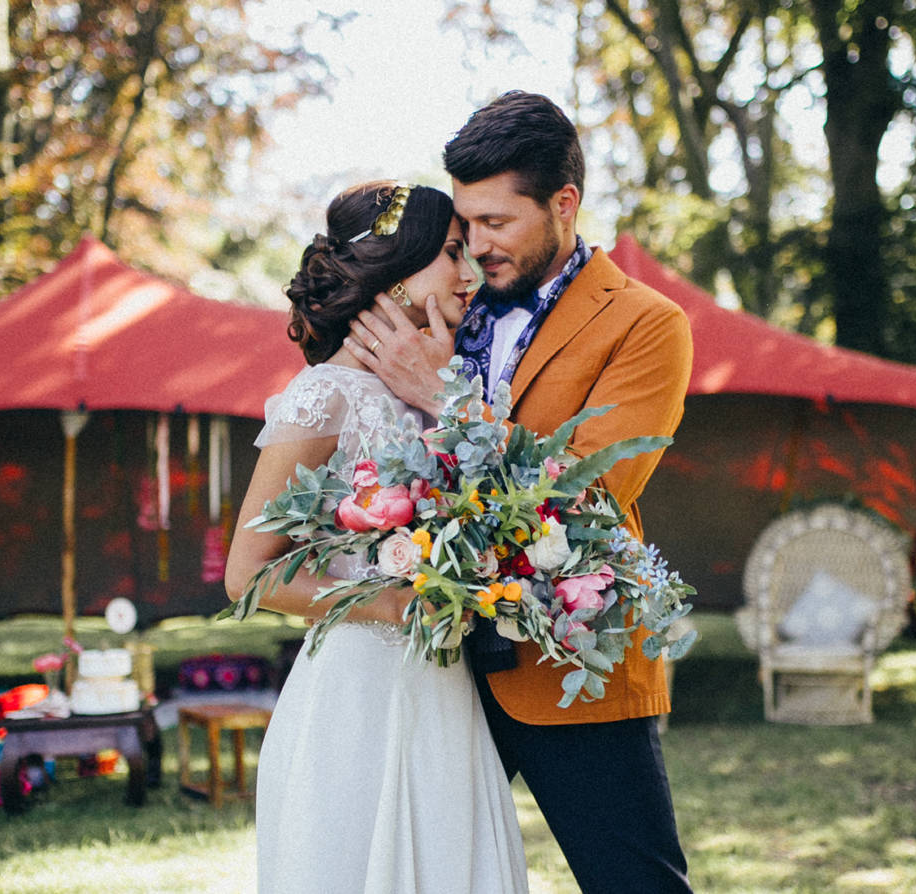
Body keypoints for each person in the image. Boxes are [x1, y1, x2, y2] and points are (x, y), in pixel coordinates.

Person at [344, 92, 696, 893]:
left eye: (497, 223)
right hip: (435, 668)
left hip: (571, 661)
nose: (474, 245)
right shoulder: (443, 300)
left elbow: (592, 492)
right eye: (465, 224)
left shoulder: (648, 324)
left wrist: (451, 403)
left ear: (563, 204)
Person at [224, 181, 528, 894]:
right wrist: (387, 604)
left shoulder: (452, 387)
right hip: (355, 703)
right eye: (452, 253)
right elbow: (248, 573)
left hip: (447, 694)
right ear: (396, 272)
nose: (469, 273)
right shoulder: (326, 395)